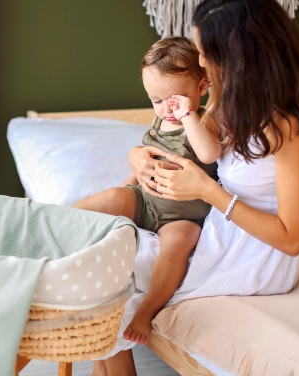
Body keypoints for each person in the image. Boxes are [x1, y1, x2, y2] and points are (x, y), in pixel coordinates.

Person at [92, 0, 299, 375]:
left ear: (236, 54)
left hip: (257, 253)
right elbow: (181, 140)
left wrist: (206, 190)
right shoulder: (233, 98)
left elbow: (291, 239)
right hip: (222, 227)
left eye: (204, 54)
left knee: (109, 279)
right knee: (102, 258)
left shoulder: (290, 124)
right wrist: (137, 157)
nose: (200, 63)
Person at [74, 35, 221, 349]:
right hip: (146, 202)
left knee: (179, 242)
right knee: (111, 197)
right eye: (156, 100)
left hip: (182, 215)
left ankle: (148, 308)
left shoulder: (205, 120)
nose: (166, 108)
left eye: (176, 98)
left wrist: (188, 114)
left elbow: (208, 154)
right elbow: (145, 165)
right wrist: (128, 188)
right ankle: (53, 227)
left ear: (202, 87)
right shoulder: (160, 120)